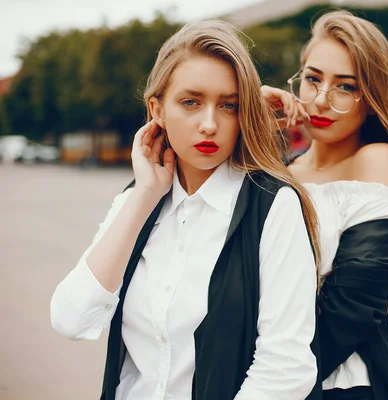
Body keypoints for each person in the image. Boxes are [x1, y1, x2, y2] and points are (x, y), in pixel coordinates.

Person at [50, 20, 321, 400]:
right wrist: (143, 197)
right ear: (156, 109)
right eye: (191, 102)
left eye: (229, 105)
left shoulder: (273, 206)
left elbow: (287, 366)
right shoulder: (137, 199)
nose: (209, 124)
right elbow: (71, 320)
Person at [261, 10, 388, 400]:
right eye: (313, 79)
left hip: (341, 379)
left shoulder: (376, 160)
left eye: (345, 87)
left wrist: (269, 382)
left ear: (370, 99)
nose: (320, 99)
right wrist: (247, 123)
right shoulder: (282, 170)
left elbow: (353, 308)